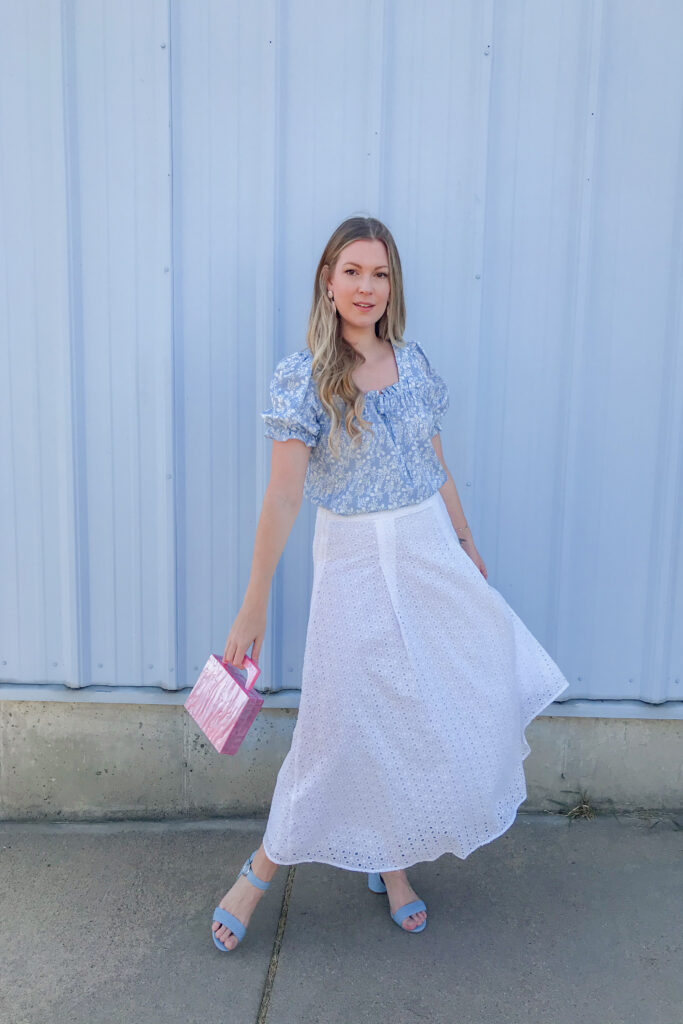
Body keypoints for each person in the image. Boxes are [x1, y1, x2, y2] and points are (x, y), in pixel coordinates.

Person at [211, 215, 570, 951]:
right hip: (350, 561)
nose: (366, 287)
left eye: (379, 274)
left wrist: (466, 546)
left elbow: (433, 469)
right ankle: (258, 870)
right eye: (352, 272)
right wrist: (252, 604)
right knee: (335, 728)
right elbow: (282, 498)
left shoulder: (413, 364)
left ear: (391, 284)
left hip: (427, 554)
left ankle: (393, 865)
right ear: (327, 279)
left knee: (419, 715)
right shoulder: (303, 375)